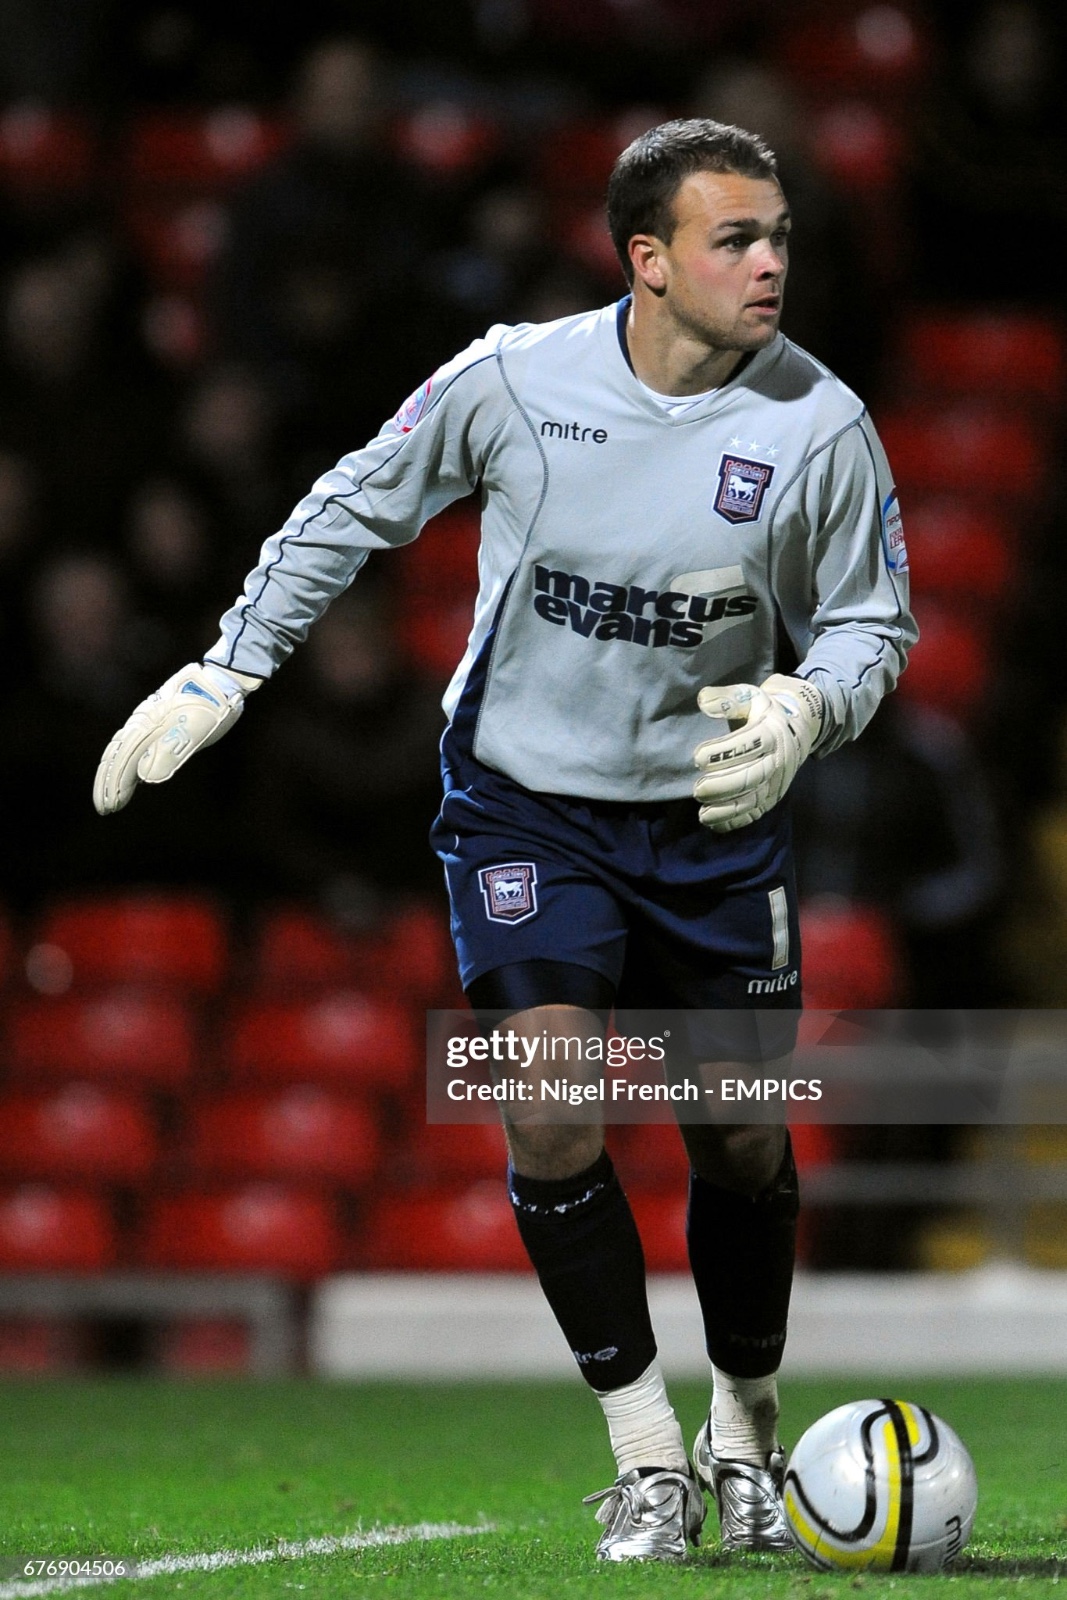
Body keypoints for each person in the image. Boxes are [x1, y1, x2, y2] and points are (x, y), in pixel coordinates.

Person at [93, 118, 916, 1563]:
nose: (772, 260)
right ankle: (648, 1458)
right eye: (737, 239)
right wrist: (228, 667)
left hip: (715, 822)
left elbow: (874, 622)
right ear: (647, 260)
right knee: (546, 1100)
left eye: (779, 234)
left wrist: (808, 706)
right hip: (525, 806)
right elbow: (353, 505)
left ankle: (745, 1431)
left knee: (733, 1136)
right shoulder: (513, 380)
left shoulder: (818, 423)